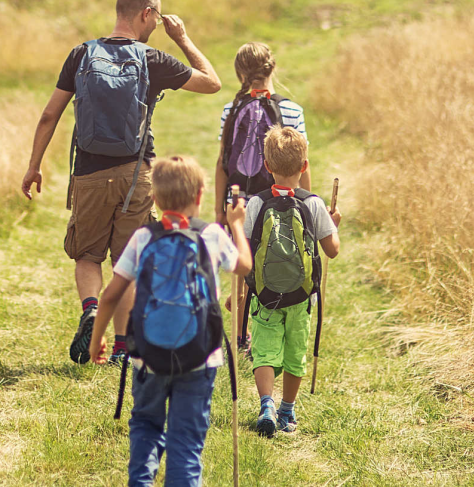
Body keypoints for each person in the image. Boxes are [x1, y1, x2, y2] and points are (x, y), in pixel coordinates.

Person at [21, 0, 222, 365]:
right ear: (147, 14)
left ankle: (92, 308)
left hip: (89, 174)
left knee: (87, 254)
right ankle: (120, 348)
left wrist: (34, 166)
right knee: (127, 259)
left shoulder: (81, 54)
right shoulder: (151, 58)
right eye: (157, 19)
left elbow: (50, 114)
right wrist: (182, 38)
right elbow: (211, 82)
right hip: (136, 175)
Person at [88, 156, 252, 487]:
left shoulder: (143, 237)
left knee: (146, 425)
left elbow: (109, 296)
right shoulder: (212, 235)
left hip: (147, 355)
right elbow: (244, 267)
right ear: (200, 195)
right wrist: (236, 224)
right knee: (187, 441)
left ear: (154, 198)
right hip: (200, 356)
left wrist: (97, 339)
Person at [236, 126, 341, 437]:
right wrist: (333, 226)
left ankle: (266, 403)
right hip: (300, 297)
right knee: (295, 354)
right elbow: (331, 251)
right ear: (304, 166)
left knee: (265, 351)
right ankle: (287, 411)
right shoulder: (313, 204)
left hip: (265, 295)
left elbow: (245, 249)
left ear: (267, 167)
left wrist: (240, 292)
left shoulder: (256, 203)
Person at [215, 42, 311, 353]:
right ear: (273, 68)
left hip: (239, 201)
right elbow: (301, 162)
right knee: (269, 262)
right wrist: (307, 201)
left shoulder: (231, 110)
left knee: (242, 267)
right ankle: (267, 328)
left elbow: (222, 163)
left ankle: (242, 339)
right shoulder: (292, 110)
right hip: (276, 199)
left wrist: (220, 210)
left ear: (239, 72)